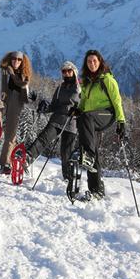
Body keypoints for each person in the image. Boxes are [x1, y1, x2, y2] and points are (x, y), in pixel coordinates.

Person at [75, 49, 126, 199]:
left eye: (94, 61)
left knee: (86, 120)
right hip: (91, 119)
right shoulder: (86, 82)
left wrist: (121, 121)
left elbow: (117, 101)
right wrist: (77, 109)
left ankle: (88, 154)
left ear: (100, 62)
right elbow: (84, 101)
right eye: (89, 61)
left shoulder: (107, 80)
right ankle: (96, 189)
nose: (92, 64)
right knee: (91, 147)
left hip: (107, 113)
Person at [26, 61, 81, 179]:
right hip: (57, 120)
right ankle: (26, 159)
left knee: (66, 154)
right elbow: (54, 105)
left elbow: (85, 105)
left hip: (71, 123)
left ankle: (68, 179)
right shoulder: (60, 88)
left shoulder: (80, 88)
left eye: (69, 71)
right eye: (64, 71)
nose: (66, 73)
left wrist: (79, 111)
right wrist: (44, 107)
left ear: (74, 72)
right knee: (43, 139)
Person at [0, 51, 35, 174]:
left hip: (16, 103)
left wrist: (32, 100)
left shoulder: (24, 77)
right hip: (1, 99)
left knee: (11, 134)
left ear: (23, 62)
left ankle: (5, 163)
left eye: (19, 59)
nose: (16, 61)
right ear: (10, 59)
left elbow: (26, 96)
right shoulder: (2, 71)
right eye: (14, 58)